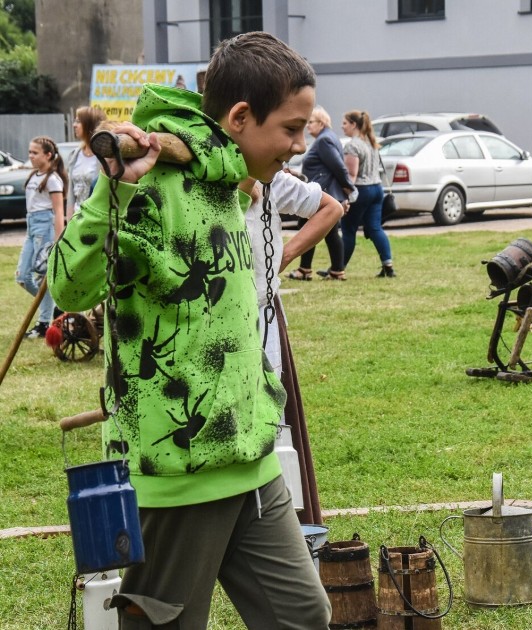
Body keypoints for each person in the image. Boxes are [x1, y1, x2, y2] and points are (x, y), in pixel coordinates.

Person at [48, 32, 332, 628]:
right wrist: (113, 187)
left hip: (249, 459)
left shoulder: (230, 179)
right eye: (291, 128)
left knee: (301, 616)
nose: (300, 145)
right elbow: (68, 290)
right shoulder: (150, 186)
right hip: (176, 475)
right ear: (240, 116)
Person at [242, 169, 342, 524]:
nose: (297, 147)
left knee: (274, 426)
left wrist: (287, 253)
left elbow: (331, 208)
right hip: (223, 324)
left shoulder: (272, 179)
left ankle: (280, 517)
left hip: (262, 315)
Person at [288, 106, 355, 281]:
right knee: (327, 232)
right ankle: (333, 271)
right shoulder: (329, 137)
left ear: (321, 123)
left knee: (310, 229)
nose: (307, 126)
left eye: (310, 122)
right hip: (325, 191)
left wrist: (348, 187)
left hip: (321, 193)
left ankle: (308, 270)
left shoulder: (324, 140)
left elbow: (338, 167)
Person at [17, 136, 66, 338]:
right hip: (31, 227)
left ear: (48, 155)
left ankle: (44, 322)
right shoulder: (33, 175)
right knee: (22, 276)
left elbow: (58, 211)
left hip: (44, 226)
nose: (30, 156)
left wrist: (57, 241)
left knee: (40, 276)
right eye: (29, 152)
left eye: (35, 153)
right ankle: (54, 310)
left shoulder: (53, 179)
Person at [341, 109, 396, 277]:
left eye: (345, 123)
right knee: (375, 228)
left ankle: (338, 267)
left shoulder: (353, 145)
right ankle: (388, 265)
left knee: (349, 229)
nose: (342, 127)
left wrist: (346, 193)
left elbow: (352, 174)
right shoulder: (371, 142)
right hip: (377, 188)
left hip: (362, 190)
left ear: (353, 125)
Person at [66, 106, 107, 221]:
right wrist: (69, 222)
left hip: (95, 219)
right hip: (76, 218)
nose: (74, 125)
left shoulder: (105, 156)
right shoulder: (75, 154)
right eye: (74, 121)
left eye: (78, 121)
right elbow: (71, 194)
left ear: (90, 124)